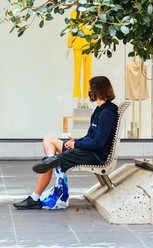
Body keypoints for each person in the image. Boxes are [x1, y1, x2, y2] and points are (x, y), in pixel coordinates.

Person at [13, 76, 118, 210]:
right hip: (88, 150)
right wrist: (76, 141)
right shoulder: (100, 110)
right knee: (48, 139)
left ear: (98, 90)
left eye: (91, 88)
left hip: (95, 155)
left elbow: (98, 142)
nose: (89, 91)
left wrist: (77, 145)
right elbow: (91, 136)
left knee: (52, 162)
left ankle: (34, 197)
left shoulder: (107, 113)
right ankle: (50, 160)